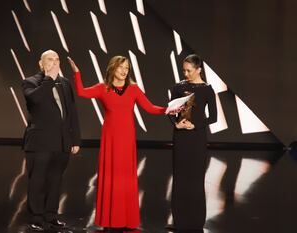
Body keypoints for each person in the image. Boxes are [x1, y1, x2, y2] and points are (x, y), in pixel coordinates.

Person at [68, 56, 168, 230]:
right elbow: (82, 92)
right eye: (121, 67)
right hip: (111, 140)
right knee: (111, 177)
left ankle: (127, 219)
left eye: (127, 68)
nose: (124, 71)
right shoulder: (102, 88)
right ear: (112, 69)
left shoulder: (133, 89)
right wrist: (77, 73)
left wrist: (170, 109)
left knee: (126, 178)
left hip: (127, 140)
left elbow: (150, 108)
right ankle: (110, 220)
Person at [22, 50, 81, 231]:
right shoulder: (31, 82)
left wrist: (75, 139)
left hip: (62, 142)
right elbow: (36, 100)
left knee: (55, 180)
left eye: (57, 60)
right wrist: (48, 79)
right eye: (50, 59)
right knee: (37, 181)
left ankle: (51, 216)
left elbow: (71, 112)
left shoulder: (64, 83)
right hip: (40, 142)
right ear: (41, 63)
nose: (54, 62)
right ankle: (36, 217)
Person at [167, 54, 217, 232]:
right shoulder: (178, 87)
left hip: (197, 138)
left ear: (199, 70)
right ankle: (179, 219)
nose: (186, 73)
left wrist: (195, 125)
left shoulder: (208, 90)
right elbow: (170, 112)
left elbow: (213, 117)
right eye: (184, 70)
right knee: (180, 177)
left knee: (195, 178)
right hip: (180, 136)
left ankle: (196, 221)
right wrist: (176, 124)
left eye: (189, 70)